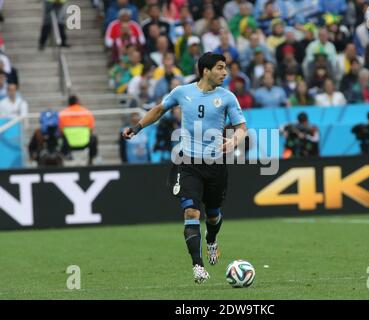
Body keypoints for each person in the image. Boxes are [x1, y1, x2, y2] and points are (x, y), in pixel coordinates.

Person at [122, 52, 247, 284]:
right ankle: (197, 266)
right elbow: (159, 110)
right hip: (188, 162)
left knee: (212, 215)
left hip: (215, 164)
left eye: (225, 68)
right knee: (191, 212)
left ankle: (211, 240)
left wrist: (234, 140)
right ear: (205, 70)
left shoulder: (228, 97)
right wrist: (137, 127)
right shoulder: (182, 92)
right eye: (220, 68)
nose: (225, 73)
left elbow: (241, 127)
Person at [59, 95, 98, 165]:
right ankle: (92, 159)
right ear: (78, 102)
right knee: (94, 138)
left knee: (60, 139)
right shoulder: (87, 113)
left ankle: (64, 157)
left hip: (68, 144)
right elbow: (91, 130)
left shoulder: (62, 114)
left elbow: (60, 131)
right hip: (85, 143)